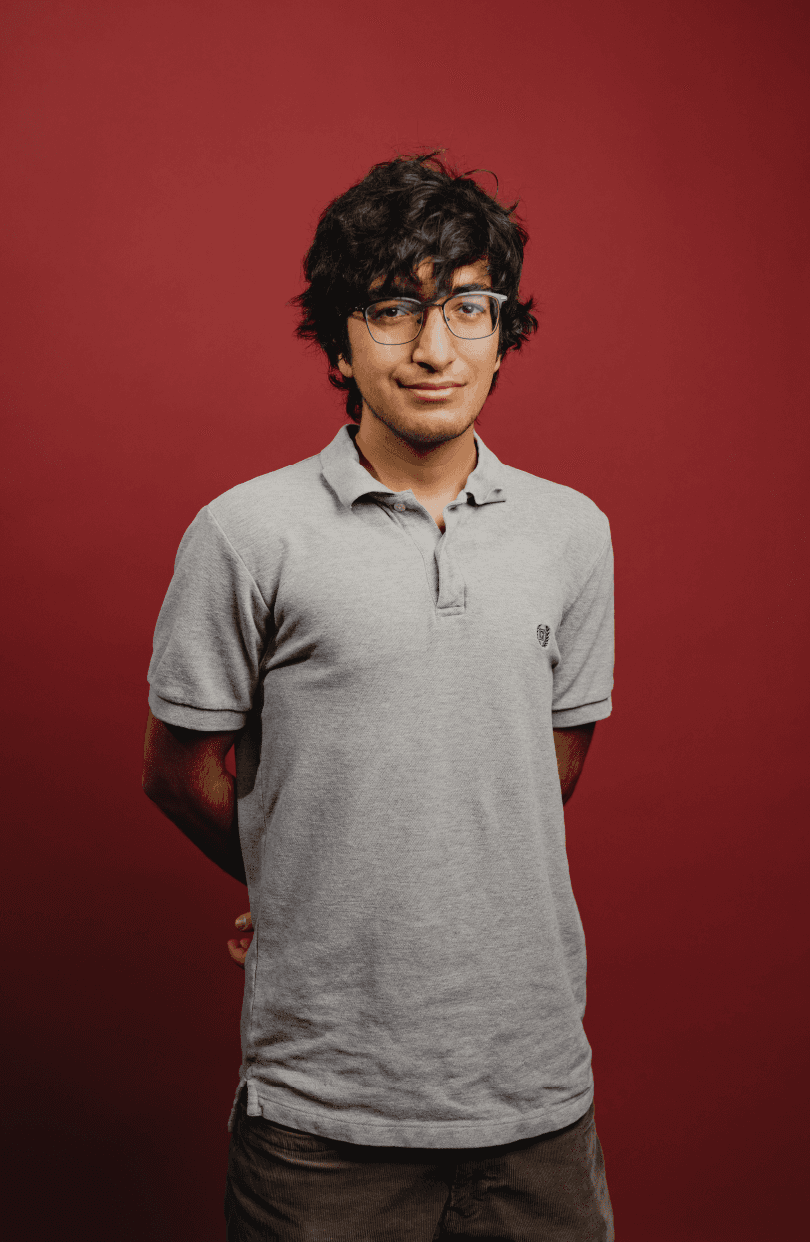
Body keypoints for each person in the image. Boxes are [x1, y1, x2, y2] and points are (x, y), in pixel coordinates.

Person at [142, 151, 616, 1241]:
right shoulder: (245, 533)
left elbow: (548, 769)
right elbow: (177, 772)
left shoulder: (573, 535)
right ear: (340, 341)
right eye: (395, 308)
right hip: (321, 1125)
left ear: (505, 331)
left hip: (536, 1108)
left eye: (467, 307)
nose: (436, 346)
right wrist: (312, 876)